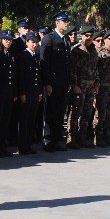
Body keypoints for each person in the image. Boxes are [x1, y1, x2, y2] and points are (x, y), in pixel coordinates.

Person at [41, 12, 73, 152]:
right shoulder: (49, 38)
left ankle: (56, 139)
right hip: (53, 82)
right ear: (57, 22)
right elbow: (45, 62)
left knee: (60, 112)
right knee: (50, 112)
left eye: (67, 21)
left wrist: (69, 81)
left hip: (63, 82)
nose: (67, 23)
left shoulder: (66, 39)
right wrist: (47, 83)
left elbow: (67, 63)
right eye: (64, 21)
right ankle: (48, 140)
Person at [68, 28, 99, 148]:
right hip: (80, 85)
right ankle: (72, 139)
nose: (89, 38)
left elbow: (96, 68)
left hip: (90, 86)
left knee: (87, 113)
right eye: (87, 35)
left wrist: (97, 83)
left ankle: (82, 137)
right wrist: (74, 84)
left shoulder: (94, 51)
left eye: (91, 35)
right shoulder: (76, 50)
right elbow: (72, 69)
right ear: (82, 36)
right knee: (76, 112)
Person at [0, 30, 17, 157]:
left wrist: (14, 93)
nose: (8, 42)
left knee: (6, 120)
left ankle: (2, 145)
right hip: (0, 93)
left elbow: (12, 77)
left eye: (10, 39)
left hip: (8, 93)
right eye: (6, 39)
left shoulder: (9, 55)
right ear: (0, 40)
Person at [15, 31, 43, 154]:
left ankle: (28, 144)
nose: (35, 44)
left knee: (32, 119)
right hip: (26, 92)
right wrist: (22, 93)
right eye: (32, 42)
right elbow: (21, 76)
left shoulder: (36, 56)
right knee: (24, 119)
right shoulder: (23, 56)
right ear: (27, 42)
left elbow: (38, 76)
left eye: (37, 42)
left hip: (34, 92)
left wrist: (40, 92)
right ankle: (22, 146)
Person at [95, 31, 110, 146]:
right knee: (101, 114)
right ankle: (98, 137)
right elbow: (94, 70)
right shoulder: (99, 53)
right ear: (104, 40)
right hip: (102, 88)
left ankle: (106, 135)